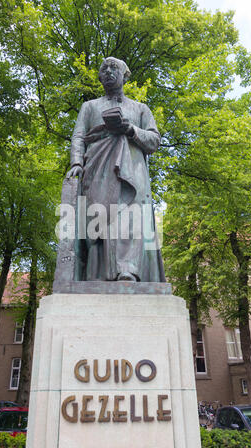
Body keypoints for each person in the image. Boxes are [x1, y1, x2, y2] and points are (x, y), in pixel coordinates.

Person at [66, 57, 164, 282]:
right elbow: (79, 137)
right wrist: (76, 163)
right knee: (99, 218)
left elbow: (154, 140)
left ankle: (127, 270)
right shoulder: (89, 107)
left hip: (132, 167)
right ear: (100, 77)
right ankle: (97, 275)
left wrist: (130, 129)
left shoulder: (140, 109)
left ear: (125, 75)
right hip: (98, 168)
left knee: (130, 216)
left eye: (114, 68)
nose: (109, 72)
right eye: (104, 69)